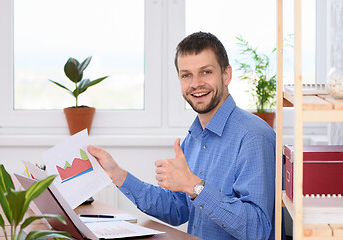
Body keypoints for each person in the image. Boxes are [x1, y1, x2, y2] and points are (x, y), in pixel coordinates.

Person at [88, 32, 276, 240]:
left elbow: (258, 229)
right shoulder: (194, 139)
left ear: (226, 75)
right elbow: (178, 209)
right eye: (186, 75)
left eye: (205, 72)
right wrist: (117, 174)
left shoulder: (254, 137)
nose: (195, 83)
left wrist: (194, 186)